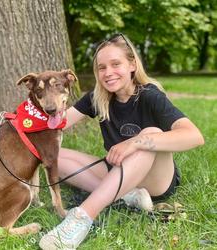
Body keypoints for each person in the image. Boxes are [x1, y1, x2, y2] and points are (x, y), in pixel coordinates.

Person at [39, 33, 204, 249]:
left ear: (132, 65)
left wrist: (134, 142)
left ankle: (82, 217)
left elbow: (194, 136)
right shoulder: (97, 98)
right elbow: (58, 124)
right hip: (117, 169)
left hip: (155, 180)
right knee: (51, 154)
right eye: (102, 67)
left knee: (150, 133)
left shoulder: (150, 95)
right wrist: (25, 118)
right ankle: (127, 196)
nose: (108, 73)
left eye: (115, 64)